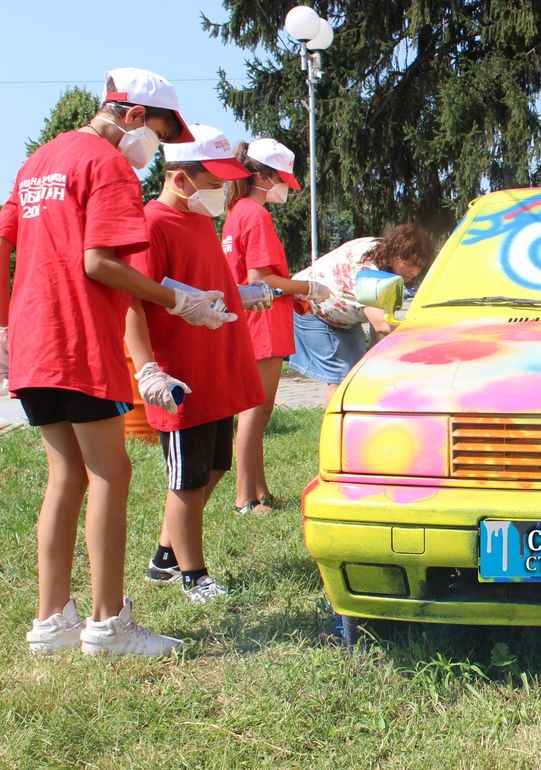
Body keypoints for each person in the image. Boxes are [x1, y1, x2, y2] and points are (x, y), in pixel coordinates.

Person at [0, 68, 234, 656]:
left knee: (66, 475)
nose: (155, 149)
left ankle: (51, 620)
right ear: (132, 116)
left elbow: (4, 236)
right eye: (159, 133)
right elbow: (99, 263)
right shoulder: (107, 165)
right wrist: (175, 299)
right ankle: (109, 625)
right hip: (79, 339)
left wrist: (5, 320)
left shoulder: (38, 161)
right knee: (110, 472)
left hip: (32, 339)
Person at [126, 124, 267, 602]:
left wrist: (242, 294)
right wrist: (148, 369)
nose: (220, 193)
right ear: (181, 178)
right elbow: (133, 304)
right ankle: (193, 574)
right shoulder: (152, 224)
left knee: (215, 467)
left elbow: (207, 282)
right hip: (181, 377)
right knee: (186, 481)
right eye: (212, 183)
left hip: (215, 371)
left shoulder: (199, 221)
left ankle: (166, 554)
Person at [221, 138, 330, 516]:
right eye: (281, 179)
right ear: (262, 176)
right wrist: (308, 287)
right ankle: (245, 499)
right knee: (255, 412)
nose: (284, 187)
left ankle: (260, 491)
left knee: (259, 412)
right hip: (262, 324)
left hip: (255, 321)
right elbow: (260, 279)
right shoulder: (255, 215)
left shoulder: (237, 212)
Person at [289, 224, 434, 398]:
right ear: (395, 254)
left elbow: (381, 326)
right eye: (410, 264)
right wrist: (422, 338)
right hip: (314, 309)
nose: (415, 272)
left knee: (360, 375)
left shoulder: (385, 256)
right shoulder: (367, 270)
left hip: (344, 317)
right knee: (342, 381)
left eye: (420, 266)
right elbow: (381, 324)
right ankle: (337, 415)